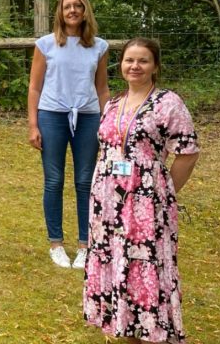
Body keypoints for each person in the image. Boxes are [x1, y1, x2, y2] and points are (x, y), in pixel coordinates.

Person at [83, 38, 199, 343]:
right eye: (129, 60)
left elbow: (187, 152)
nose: (135, 66)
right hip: (107, 201)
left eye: (143, 61)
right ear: (121, 65)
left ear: (155, 66)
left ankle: (151, 329)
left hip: (145, 202)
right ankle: (124, 322)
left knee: (144, 262)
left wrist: (164, 190)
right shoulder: (112, 103)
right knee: (115, 256)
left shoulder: (167, 103)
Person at [27, 0, 110, 268]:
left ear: (85, 11)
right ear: (60, 13)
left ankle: (86, 245)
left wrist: (108, 121)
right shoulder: (46, 44)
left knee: (86, 181)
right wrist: (33, 124)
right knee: (54, 180)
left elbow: (102, 87)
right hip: (52, 115)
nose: (72, 11)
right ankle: (56, 243)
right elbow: (35, 87)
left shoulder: (99, 47)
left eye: (77, 6)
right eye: (67, 7)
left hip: (88, 117)